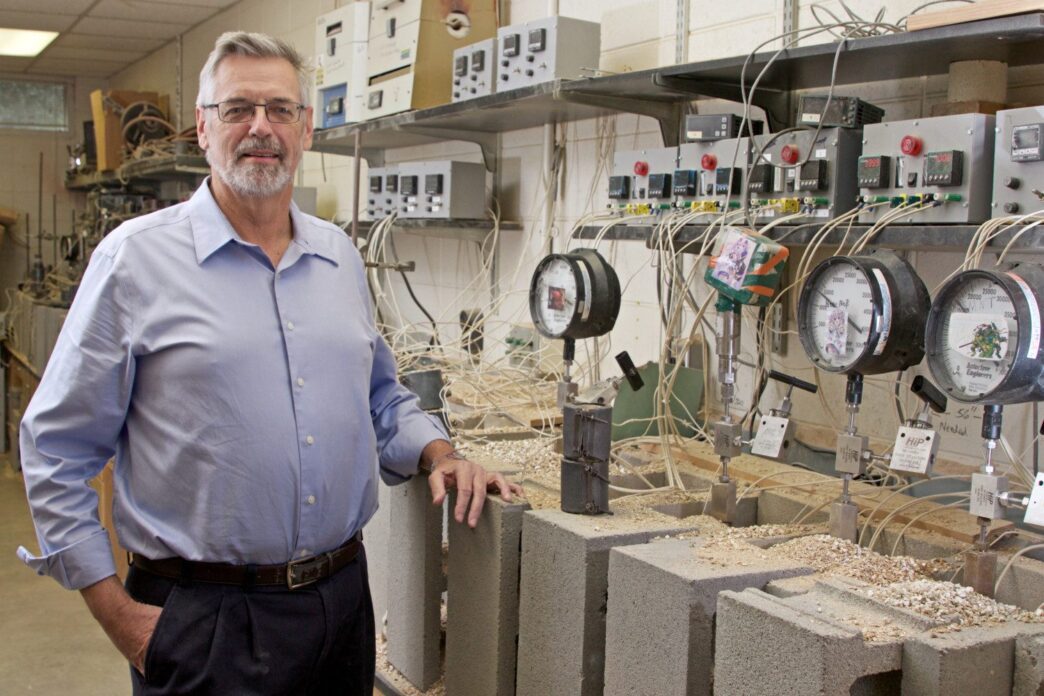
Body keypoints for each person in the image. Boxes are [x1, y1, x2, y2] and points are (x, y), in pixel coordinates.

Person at [17, 31, 521, 695]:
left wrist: (440, 454)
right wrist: (119, 616)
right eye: (237, 109)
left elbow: (380, 398)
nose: (262, 127)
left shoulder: (338, 256)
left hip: (340, 605)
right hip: (204, 618)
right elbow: (55, 449)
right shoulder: (134, 261)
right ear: (203, 128)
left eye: (281, 109)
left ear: (306, 129)